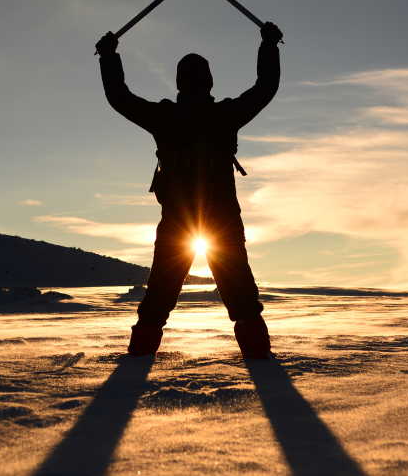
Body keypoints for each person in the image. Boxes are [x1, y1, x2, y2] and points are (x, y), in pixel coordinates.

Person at [96, 22, 282, 359]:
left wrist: (109, 55)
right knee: (241, 298)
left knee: (159, 297)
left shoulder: (165, 117)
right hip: (222, 221)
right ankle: (261, 361)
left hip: (178, 223)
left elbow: (119, 96)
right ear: (209, 81)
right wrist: (268, 45)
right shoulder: (224, 115)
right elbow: (265, 87)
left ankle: (137, 361)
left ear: (180, 82)